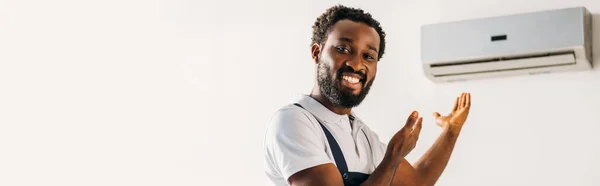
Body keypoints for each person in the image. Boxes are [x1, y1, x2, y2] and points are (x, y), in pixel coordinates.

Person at [263, 4, 472, 186]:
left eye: (368, 56)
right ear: (317, 53)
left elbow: (417, 182)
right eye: (343, 48)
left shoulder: (362, 135)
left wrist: (451, 131)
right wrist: (392, 159)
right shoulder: (294, 122)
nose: (356, 64)